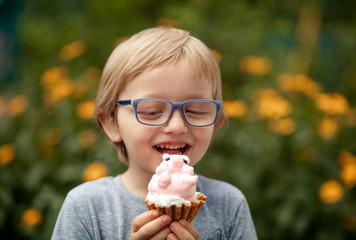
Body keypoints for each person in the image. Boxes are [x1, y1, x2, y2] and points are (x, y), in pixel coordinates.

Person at [52, 26, 257, 240]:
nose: (177, 126)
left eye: (195, 110)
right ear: (112, 123)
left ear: (216, 122)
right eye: (152, 111)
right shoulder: (87, 208)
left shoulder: (229, 205)